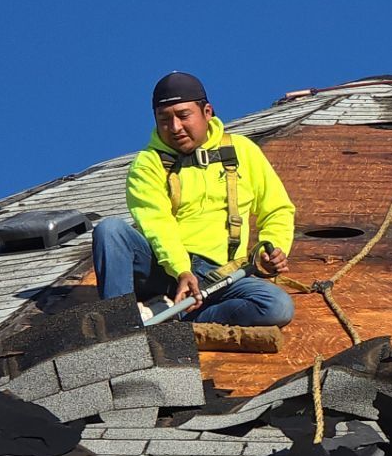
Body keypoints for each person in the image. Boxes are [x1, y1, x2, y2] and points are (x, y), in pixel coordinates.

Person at [92, 71, 297, 328]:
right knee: (110, 230)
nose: (175, 128)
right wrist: (181, 270)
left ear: (207, 112)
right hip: (162, 268)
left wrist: (272, 248)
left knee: (276, 306)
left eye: (183, 115)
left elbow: (277, 209)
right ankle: (119, 328)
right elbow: (156, 223)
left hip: (221, 275)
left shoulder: (242, 151)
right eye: (164, 119)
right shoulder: (147, 164)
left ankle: (177, 316)